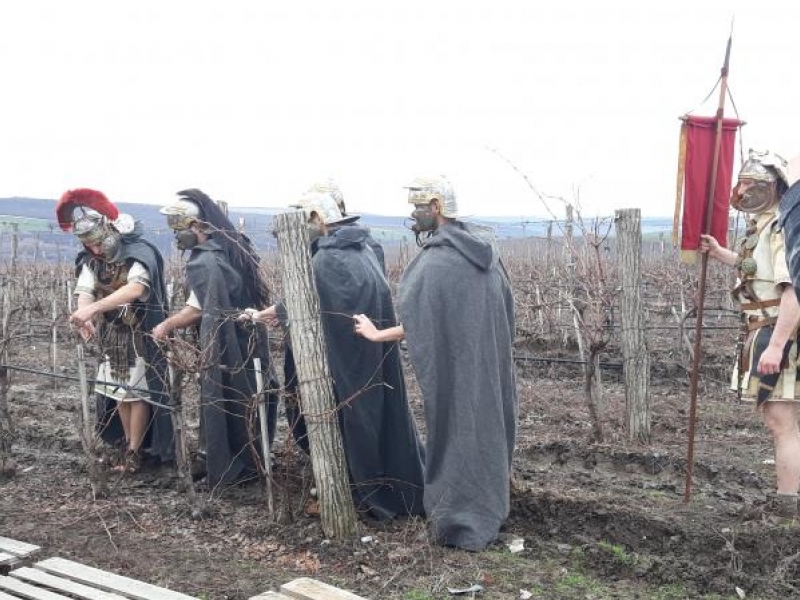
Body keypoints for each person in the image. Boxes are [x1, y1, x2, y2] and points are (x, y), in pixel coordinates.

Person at [354, 175, 517, 550]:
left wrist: (378, 334)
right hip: (489, 370)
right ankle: (490, 508)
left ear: (437, 207)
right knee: (487, 431)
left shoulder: (438, 263)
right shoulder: (486, 252)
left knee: (458, 434)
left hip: (457, 374)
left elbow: (418, 322)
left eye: (417, 208)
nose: (412, 216)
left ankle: (460, 523)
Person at [246, 191, 425, 520]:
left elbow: (307, 295)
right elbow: (304, 301)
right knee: (372, 417)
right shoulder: (364, 247)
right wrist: (270, 313)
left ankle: (361, 489)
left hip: (348, 356)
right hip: (371, 353)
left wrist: (270, 313)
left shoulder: (327, 260)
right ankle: (378, 481)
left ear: (318, 219)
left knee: (352, 420)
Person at [152, 189, 278, 488]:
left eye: (181, 229)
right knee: (248, 398)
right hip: (250, 338)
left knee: (228, 399)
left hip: (228, 343)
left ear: (199, 227)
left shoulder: (206, 261)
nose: (177, 236)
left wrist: (166, 326)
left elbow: (199, 309)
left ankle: (231, 467)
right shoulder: (233, 248)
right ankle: (245, 462)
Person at [701, 149, 800, 517]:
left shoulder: (781, 228)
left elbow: (792, 290)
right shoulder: (764, 225)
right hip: (765, 329)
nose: (743, 190)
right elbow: (754, 268)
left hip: (779, 331)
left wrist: (777, 345)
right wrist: (720, 253)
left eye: (751, 184)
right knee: (778, 420)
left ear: (771, 187)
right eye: (740, 183)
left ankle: (789, 506)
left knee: (781, 421)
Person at [57, 188, 174, 473]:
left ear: (109, 230)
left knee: (137, 393)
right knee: (118, 392)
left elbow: (135, 288)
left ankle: (137, 451)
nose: (96, 250)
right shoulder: (92, 260)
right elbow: (85, 289)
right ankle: (128, 445)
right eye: (90, 246)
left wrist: (94, 309)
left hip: (140, 334)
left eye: (98, 243)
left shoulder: (138, 253)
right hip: (112, 335)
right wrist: (85, 314)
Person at [282, 181, 387, 453]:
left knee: (351, 413)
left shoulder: (332, 257)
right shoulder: (356, 248)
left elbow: (315, 301)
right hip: (359, 345)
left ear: (318, 218)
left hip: (348, 348)